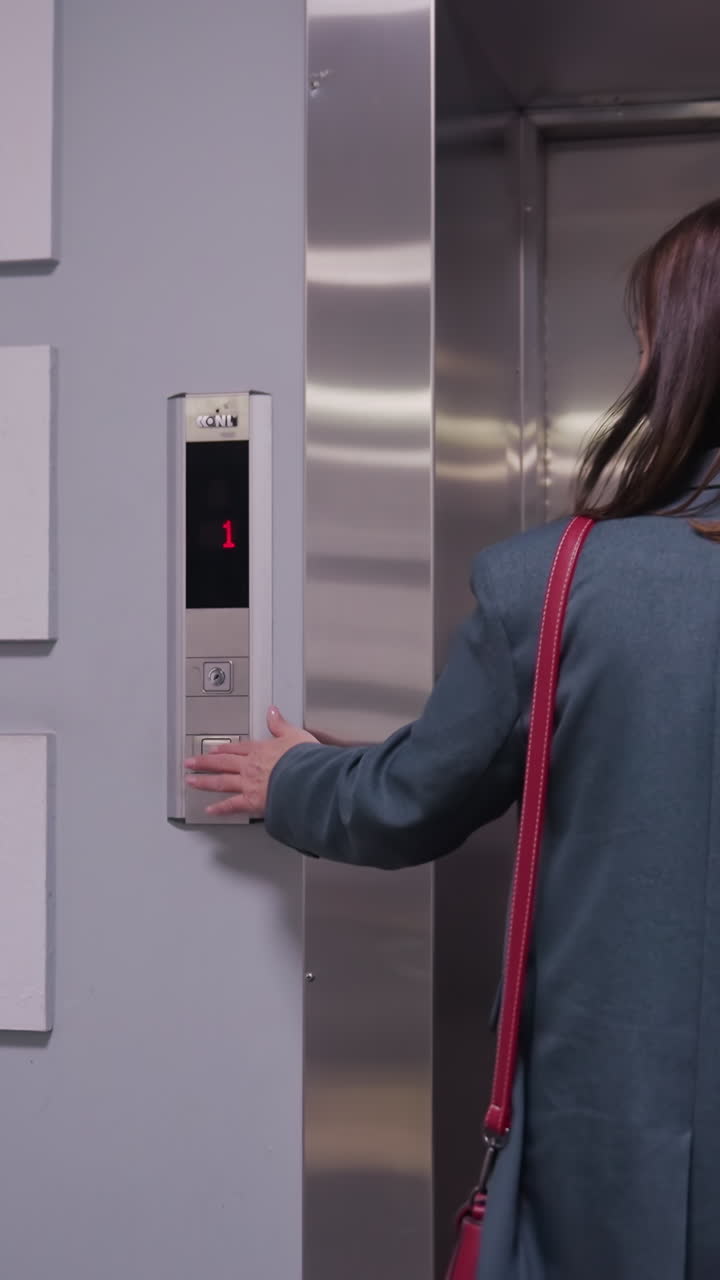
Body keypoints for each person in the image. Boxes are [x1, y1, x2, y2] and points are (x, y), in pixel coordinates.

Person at [185, 198, 720, 1279]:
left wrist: (295, 777)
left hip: (629, 1139)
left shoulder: (564, 584)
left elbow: (414, 796)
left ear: (681, 356)